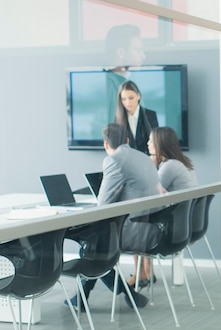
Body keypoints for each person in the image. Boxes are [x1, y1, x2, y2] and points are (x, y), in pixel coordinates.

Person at [67, 123, 163, 310]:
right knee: (95, 248)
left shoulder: (114, 161)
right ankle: (84, 299)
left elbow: (103, 205)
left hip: (135, 230)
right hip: (152, 225)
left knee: (90, 249)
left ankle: (123, 294)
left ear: (105, 144)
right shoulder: (143, 157)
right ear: (127, 140)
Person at [127, 126, 198, 287]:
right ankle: (145, 272)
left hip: (173, 231)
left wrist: (149, 167)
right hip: (185, 225)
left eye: (151, 140)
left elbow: (147, 192)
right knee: (143, 218)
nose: (147, 143)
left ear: (161, 143)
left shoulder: (170, 166)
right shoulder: (181, 163)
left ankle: (142, 273)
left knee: (134, 221)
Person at [104, 24, 147, 126]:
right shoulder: (107, 85)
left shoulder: (127, 83)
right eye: (138, 50)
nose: (143, 56)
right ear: (121, 53)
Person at [115, 80, 159, 155]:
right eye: (124, 99)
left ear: (138, 96)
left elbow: (156, 143)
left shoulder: (150, 115)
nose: (128, 102)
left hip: (147, 161)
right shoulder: (118, 119)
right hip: (127, 162)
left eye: (131, 98)